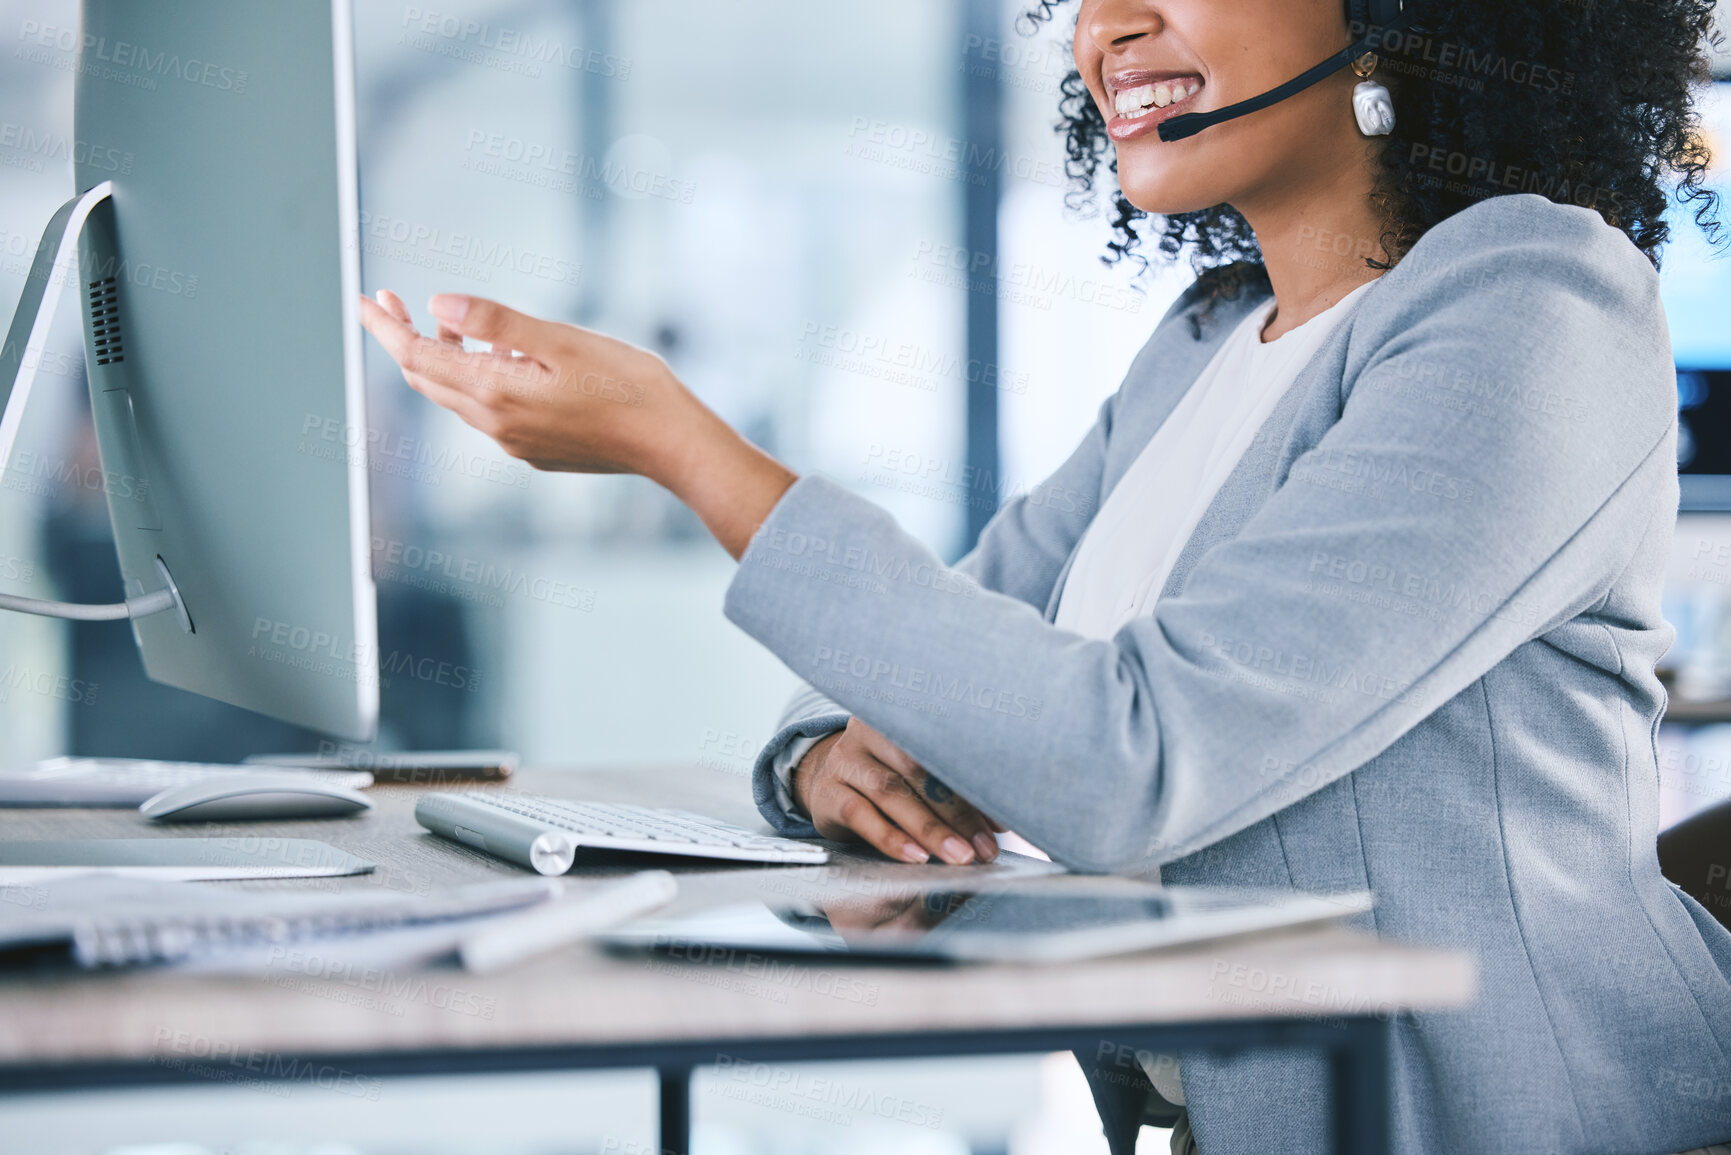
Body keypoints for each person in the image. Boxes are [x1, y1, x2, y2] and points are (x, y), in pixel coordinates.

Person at [359, 0, 1731, 1150]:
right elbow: (936, 650)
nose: (1102, 29)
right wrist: (831, 765)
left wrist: (687, 450)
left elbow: (1134, 753)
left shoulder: (1534, 301)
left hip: (1508, 1121)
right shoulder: (1206, 347)